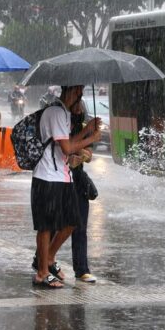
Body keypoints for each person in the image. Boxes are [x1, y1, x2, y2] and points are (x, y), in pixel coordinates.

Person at [31, 85, 100, 288]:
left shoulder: (64, 113)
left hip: (62, 176)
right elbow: (67, 147)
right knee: (46, 226)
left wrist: (87, 131)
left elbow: (68, 142)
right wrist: (92, 138)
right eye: (79, 92)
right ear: (72, 92)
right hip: (47, 176)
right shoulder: (55, 112)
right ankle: (42, 272)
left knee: (72, 221)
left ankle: (49, 259)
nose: (81, 97)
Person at [67, 99, 98, 283]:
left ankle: (81, 269)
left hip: (78, 181)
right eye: (76, 104)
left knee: (80, 226)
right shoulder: (62, 124)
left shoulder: (83, 127)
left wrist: (84, 155)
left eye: (80, 105)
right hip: (59, 180)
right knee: (57, 227)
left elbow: (88, 156)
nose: (79, 108)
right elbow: (65, 150)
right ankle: (43, 262)